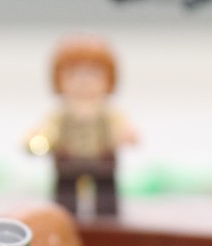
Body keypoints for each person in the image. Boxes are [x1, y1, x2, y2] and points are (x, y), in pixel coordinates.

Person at [27, 37, 137, 217]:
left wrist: (126, 134)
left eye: (93, 73)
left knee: (106, 201)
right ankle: (64, 216)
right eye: (73, 74)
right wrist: (40, 138)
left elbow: (123, 127)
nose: (83, 81)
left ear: (109, 78)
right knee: (65, 201)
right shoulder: (60, 114)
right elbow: (47, 129)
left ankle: (106, 219)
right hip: (68, 162)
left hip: (101, 161)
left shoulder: (107, 113)